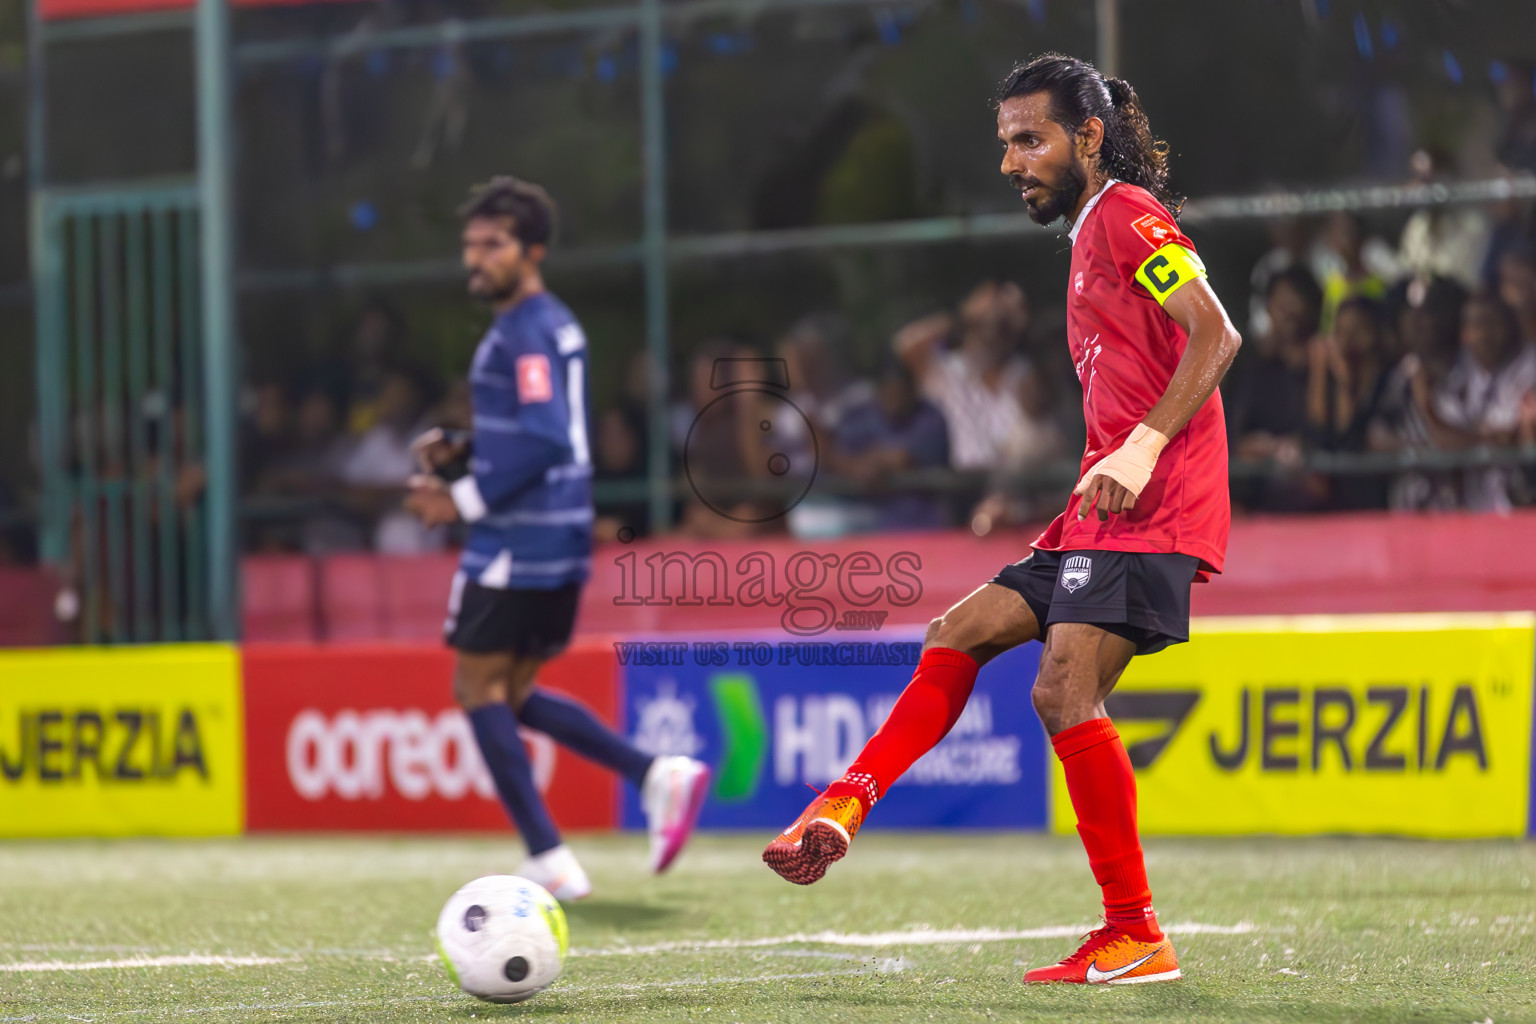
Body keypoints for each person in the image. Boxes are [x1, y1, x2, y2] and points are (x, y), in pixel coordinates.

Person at [762, 53, 1241, 986]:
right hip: (1098, 508)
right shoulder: (1092, 232)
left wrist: (1142, 446)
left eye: (1032, 140)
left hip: (1152, 501)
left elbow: (1216, 332)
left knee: (1063, 694)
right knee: (960, 628)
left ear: (1090, 139)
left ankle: (1135, 932)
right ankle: (841, 806)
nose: (1012, 161)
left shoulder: (1127, 214)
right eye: (1007, 142)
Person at [405, 177, 710, 899]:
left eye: (492, 245)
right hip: (557, 535)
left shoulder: (524, 331)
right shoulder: (552, 323)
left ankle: (549, 855)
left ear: (532, 250)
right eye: (470, 246)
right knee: (510, 691)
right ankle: (651, 774)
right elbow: (542, 430)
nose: (475, 260)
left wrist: (461, 498)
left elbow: (546, 439)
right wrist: (464, 446)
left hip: (519, 540)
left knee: (476, 686)